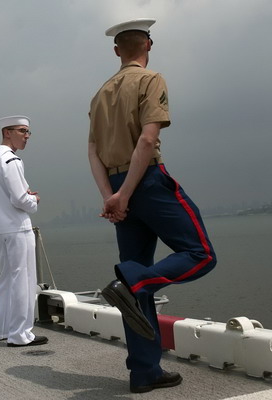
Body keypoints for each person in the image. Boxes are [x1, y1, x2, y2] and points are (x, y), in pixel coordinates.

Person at [88, 18, 217, 394]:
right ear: (148, 45)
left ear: (117, 51)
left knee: (136, 274)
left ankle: (144, 372)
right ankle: (132, 283)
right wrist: (126, 194)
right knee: (200, 253)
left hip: (115, 185)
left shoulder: (99, 94)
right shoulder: (151, 80)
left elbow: (93, 151)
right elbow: (147, 140)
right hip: (144, 182)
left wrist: (110, 196)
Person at [0, 115, 47, 347]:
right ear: (7, 132)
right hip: (17, 227)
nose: (27, 136)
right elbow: (20, 198)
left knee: (7, 278)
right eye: (22, 131)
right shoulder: (11, 160)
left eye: (28, 132)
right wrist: (34, 200)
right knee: (23, 280)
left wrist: (25, 197)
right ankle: (21, 333)